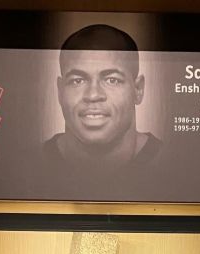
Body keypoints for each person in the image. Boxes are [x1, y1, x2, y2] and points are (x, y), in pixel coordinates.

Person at [44, 24, 162, 171]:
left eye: (112, 80)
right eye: (78, 80)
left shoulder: (179, 164)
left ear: (138, 89)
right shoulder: (25, 165)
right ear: (60, 92)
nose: (93, 95)